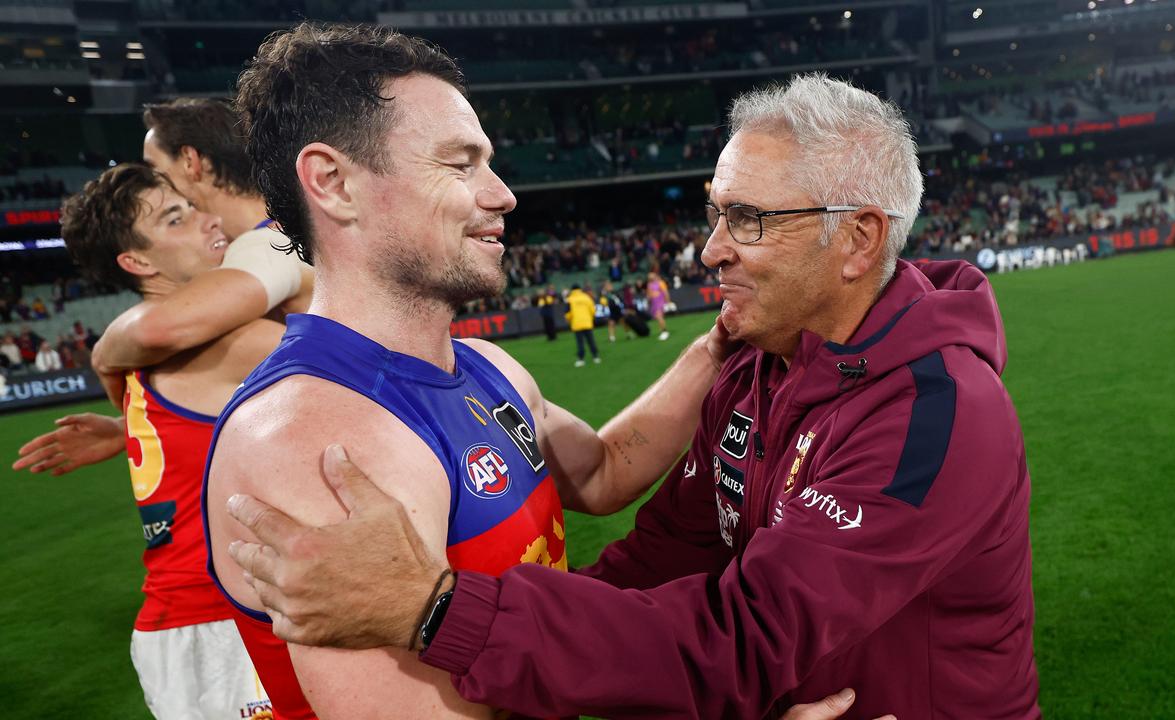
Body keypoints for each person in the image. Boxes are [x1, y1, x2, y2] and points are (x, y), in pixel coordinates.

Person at [225, 73, 1040, 719]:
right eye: (716, 213)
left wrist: (439, 611)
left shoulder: (937, 412)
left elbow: (746, 639)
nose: (710, 250)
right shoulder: (757, 369)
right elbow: (657, 564)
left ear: (857, 239)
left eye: (749, 219)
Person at [15, 163, 279, 720]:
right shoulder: (216, 342)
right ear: (138, 262)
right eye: (176, 218)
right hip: (222, 624)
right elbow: (371, 359)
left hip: (191, 620)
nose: (210, 220)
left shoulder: (151, 340)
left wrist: (121, 429)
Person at [91, 97, 312, 395]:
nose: (154, 182)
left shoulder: (268, 245)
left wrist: (103, 356)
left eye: (155, 167)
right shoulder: (288, 225)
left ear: (190, 161)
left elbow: (156, 331)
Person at [565, 283, 600, 366]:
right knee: (591, 340)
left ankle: (581, 359)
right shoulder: (586, 297)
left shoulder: (570, 299)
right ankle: (596, 357)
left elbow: (568, 313)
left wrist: (569, 320)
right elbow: (593, 310)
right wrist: (590, 319)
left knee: (580, 342)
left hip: (576, 324)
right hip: (587, 322)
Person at [645, 270, 671, 340]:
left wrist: (668, 302)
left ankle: (664, 331)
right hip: (654, 303)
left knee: (659, 316)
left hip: (660, 302)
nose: (650, 277)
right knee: (658, 317)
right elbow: (649, 295)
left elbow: (665, 292)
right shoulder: (649, 285)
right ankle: (663, 330)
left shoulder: (660, 283)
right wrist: (647, 303)